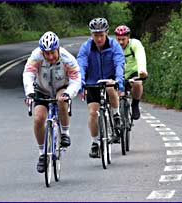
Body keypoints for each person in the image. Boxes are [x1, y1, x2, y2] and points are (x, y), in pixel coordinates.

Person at [23, 31, 81, 173]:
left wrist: (69, 93)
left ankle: (65, 132)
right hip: (42, 89)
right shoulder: (36, 55)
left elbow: (76, 79)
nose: (49, 57)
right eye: (46, 53)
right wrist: (29, 92)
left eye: (52, 53)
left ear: (58, 49)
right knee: (38, 119)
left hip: (61, 88)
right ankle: (42, 154)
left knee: (61, 101)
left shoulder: (67, 58)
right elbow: (28, 73)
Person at [77, 18, 125, 158]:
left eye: (101, 35)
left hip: (109, 78)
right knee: (93, 113)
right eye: (95, 35)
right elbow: (81, 64)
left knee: (110, 87)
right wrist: (81, 82)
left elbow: (119, 63)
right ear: (91, 34)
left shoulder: (114, 45)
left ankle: (116, 115)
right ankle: (95, 143)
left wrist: (119, 80)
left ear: (107, 33)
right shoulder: (86, 47)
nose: (98, 38)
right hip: (93, 82)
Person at [114, 25, 148, 120]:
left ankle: (135, 104)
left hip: (132, 72)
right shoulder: (112, 45)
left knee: (138, 83)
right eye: (118, 39)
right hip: (117, 73)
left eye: (123, 39)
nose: (120, 42)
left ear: (128, 37)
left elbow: (140, 56)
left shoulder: (135, 44)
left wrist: (142, 70)